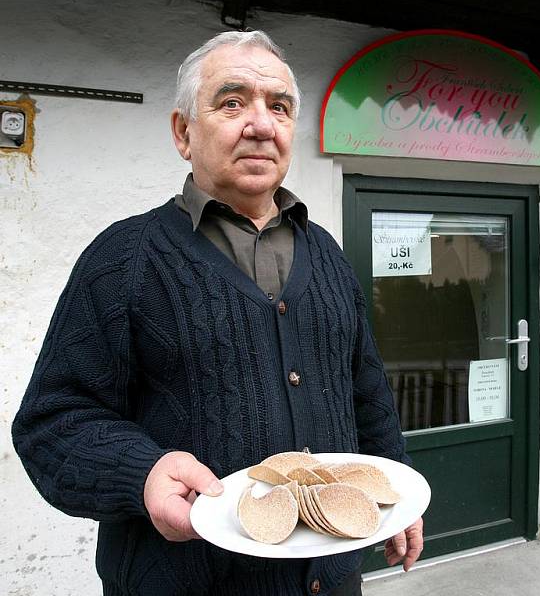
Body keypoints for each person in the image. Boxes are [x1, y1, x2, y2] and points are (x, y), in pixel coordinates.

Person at [12, 30, 423, 596]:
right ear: (184, 132)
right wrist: (144, 473)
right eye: (232, 103)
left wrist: (393, 491)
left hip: (329, 581)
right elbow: (51, 422)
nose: (261, 124)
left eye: (278, 107)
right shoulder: (123, 259)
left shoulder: (326, 253)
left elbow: (366, 390)